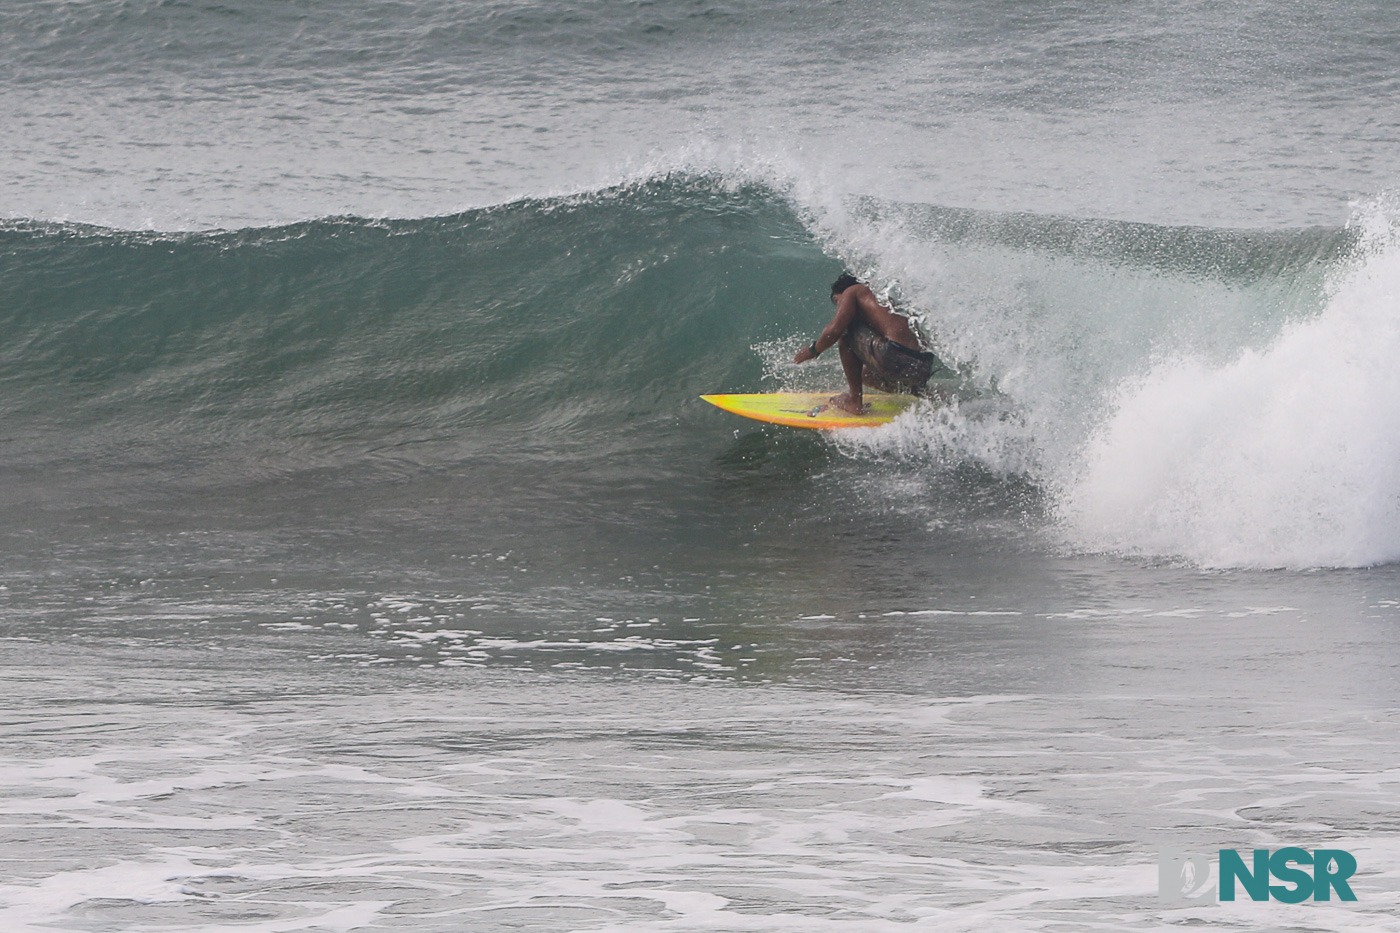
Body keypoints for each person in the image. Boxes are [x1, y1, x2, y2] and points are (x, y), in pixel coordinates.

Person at [792, 273, 943, 414]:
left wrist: (813, 350)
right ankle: (920, 391)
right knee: (865, 375)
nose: (839, 307)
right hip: (923, 366)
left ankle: (854, 401)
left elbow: (834, 330)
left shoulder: (853, 291)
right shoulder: (883, 301)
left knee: (845, 334)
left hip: (896, 355)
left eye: (837, 302)